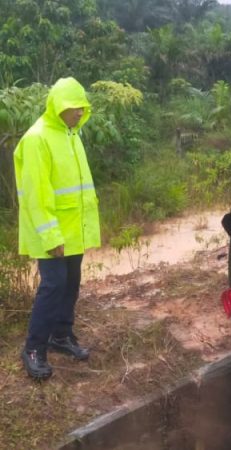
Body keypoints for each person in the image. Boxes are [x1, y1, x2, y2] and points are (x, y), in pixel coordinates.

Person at [15, 77, 101, 380]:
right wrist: (51, 236)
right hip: (49, 232)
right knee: (52, 286)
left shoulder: (71, 134)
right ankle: (34, 348)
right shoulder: (38, 138)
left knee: (71, 282)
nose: (79, 112)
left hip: (73, 231)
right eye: (73, 107)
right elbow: (36, 196)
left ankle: (62, 335)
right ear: (57, 106)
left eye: (82, 107)